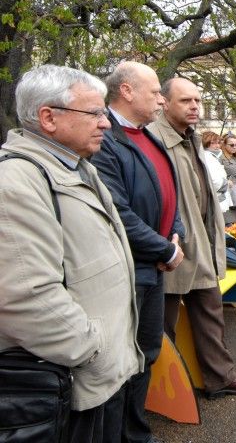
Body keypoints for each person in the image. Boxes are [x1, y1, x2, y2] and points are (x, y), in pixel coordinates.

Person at [0, 65, 141, 441]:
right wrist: (93, 349)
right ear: (48, 117)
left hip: (99, 377)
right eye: (94, 113)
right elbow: (25, 297)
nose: (106, 123)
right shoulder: (16, 182)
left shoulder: (77, 167)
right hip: (75, 383)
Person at [148, 77, 236, 398]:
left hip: (203, 240)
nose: (195, 106)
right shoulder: (154, 139)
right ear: (164, 103)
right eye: (186, 101)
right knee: (163, 326)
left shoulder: (191, 137)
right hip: (174, 247)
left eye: (197, 100)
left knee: (211, 314)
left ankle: (220, 378)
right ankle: (163, 394)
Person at [91, 61, 185, 443]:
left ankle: (135, 432)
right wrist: (165, 247)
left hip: (154, 266)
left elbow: (168, 195)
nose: (161, 100)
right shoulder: (106, 140)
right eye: (154, 92)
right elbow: (118, 212)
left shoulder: (148, 135)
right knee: (120, 361)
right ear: (126, 91)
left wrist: (174, 233)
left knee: (146, 351)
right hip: (128, 269)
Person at [202, 131, 231, 214]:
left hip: (218, 198)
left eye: (218, 143)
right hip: (215, 199)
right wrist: (226, 183)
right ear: (206, 143)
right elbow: (214, 182)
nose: (217, 146)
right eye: (213, 143)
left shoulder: (213, 157)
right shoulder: (208, 157)